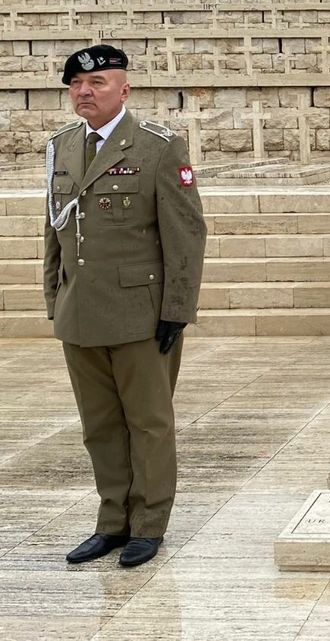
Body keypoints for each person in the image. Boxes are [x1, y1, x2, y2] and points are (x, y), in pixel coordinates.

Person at [44, 45, 207, 567]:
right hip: (81, 311)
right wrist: (56, 298)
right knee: (99, 425)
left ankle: (149, 524)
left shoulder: (159, 146)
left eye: (97, 84)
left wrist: (177, 309)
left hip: (141, 313)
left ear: (124, 90)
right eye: (77, 86)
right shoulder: (62, 146)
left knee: (149, 423)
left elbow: (186, 234)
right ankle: (112, 520)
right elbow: (54, 229)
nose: (84, 92)